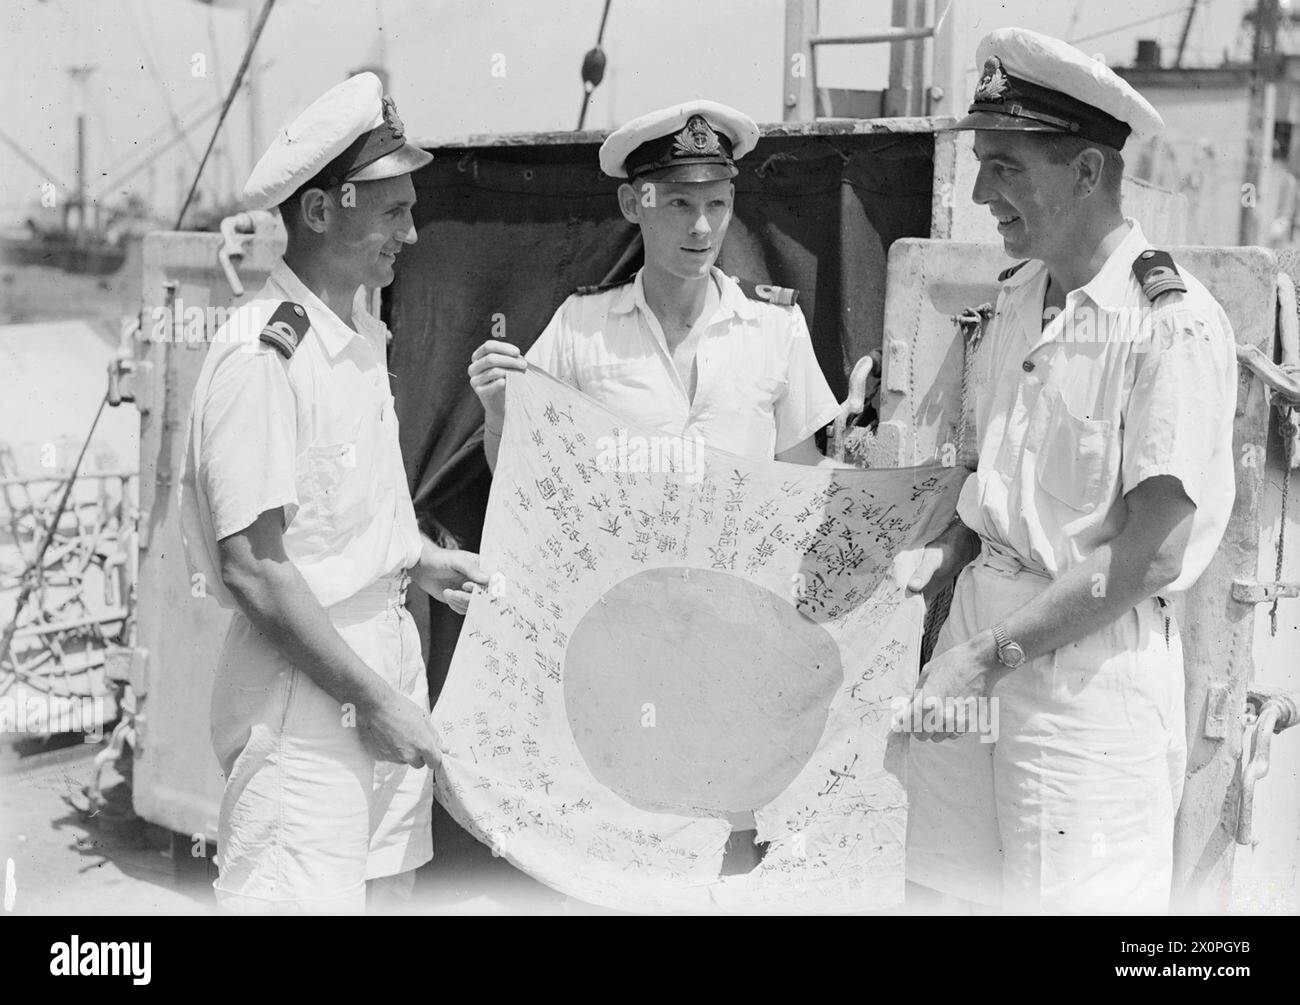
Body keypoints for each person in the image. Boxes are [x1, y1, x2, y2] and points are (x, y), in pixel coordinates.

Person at [893, 28, 1238, 913]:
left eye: (1005, 166)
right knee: (943, 894)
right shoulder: (1016, 299)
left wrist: (988, 656)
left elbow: (1151, 557)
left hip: (1083, 676)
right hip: (978, 644)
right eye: (981, 164)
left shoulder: (1172, 324)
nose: (980, 192)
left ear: (1087, 174)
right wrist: (940, 571)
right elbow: (996, 493)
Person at [467, 100, 845, 871]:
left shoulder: (773, 331)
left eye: (716, 203)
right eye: (678, 204)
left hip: (736, 635)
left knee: (730, 841)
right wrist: (500, 409)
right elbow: (524, 484)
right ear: (631, 204)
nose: (701, 228)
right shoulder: (580, 331)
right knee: (622, 840)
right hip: (620, 636)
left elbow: (802, 490)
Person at [179, 73, 487, 914]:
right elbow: (253, 567)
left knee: (387, 894)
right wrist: (375, 700)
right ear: (319, 213)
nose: (412, 233)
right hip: (309, 709)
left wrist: (416, 558)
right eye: (393, 212)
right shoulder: (262, 356)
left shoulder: (351, 334)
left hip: (377, 677)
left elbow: (336, 519)